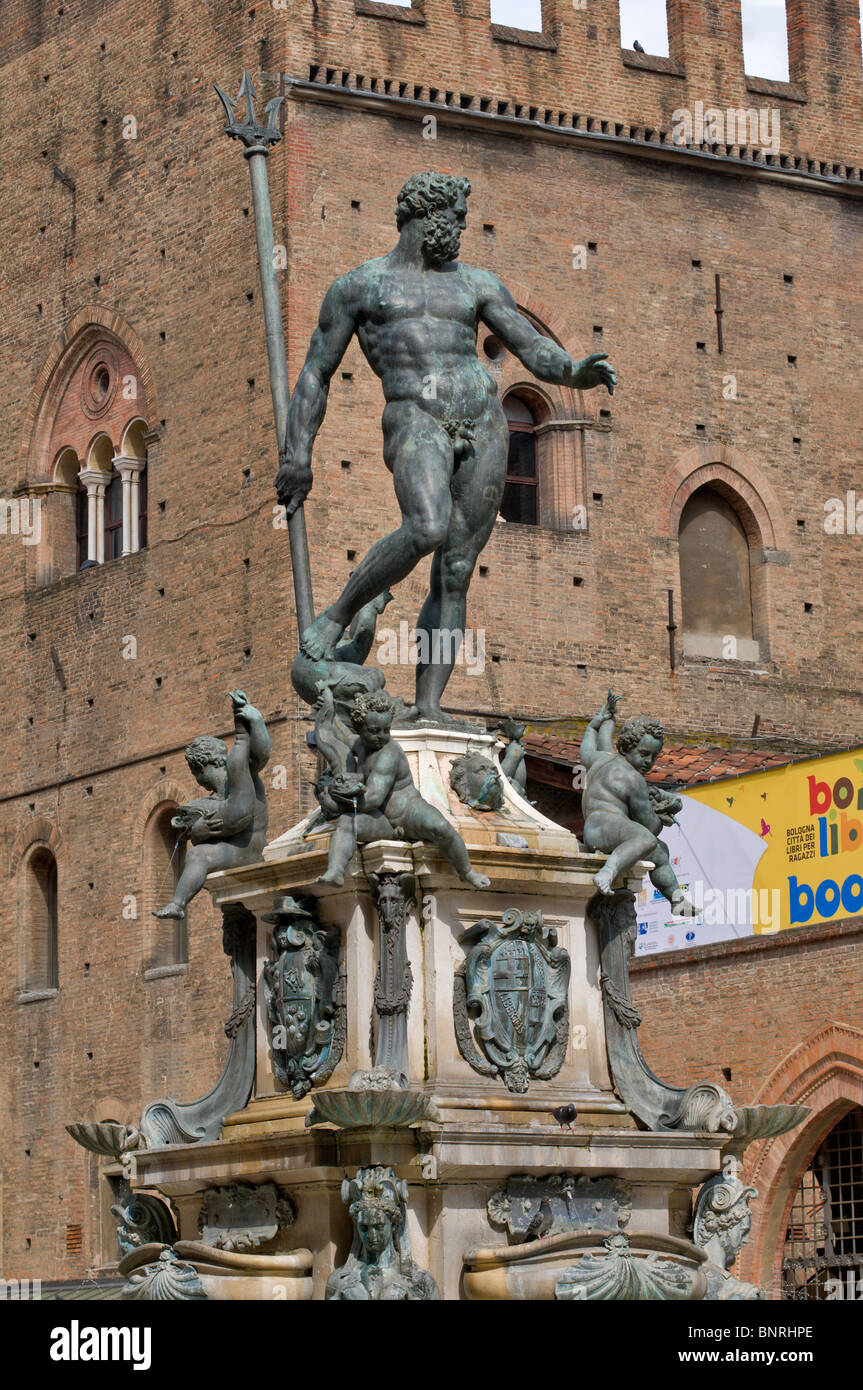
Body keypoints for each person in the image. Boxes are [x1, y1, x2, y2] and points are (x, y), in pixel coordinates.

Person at [277, 171, 616, 725]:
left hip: (484, 422)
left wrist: (573, 372)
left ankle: (429, 707)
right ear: (419, 217)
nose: (459, 230)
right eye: (452, 219)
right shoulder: (360, 287)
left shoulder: (476, 284)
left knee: (456, 568)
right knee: (427, 527)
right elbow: (315, 374)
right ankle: (337, 617)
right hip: (416, 418)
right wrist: (298, 456)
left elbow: (531, 347)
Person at [315, 689, 489, 889]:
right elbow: (334, 734)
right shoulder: (359, 745)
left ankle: (466, 871)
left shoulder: (388, 754)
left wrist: (337, 803)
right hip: (382, 821)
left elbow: (372, 799)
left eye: (385, 730)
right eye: (374, 731)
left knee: (441, 827)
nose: (381, 736)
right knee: (347, 822)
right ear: (360, 729)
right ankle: (335, 871)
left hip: (408, 812)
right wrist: (327, 706)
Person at [153, 690, 270, 919]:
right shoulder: (212, 798)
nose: (197, 780)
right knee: (200, 853)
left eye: (195, 773)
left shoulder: (241, 771)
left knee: (198, 856)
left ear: (202, 768)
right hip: (234, 849)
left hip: (250, 849)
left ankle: (178, 904)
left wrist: (253, 720)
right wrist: (197, 831)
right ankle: (177, 904)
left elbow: (261, 754)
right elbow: (210, 830)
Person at [580, 691, 694, 913]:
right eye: (644, 754)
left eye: (653, 756)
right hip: (606, 828)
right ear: (625, 748)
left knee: (660, 853)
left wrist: (598, 723)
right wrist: (663, 812)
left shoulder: (601, 758)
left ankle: (677, 900)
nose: (648, 762)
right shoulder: (634, 781)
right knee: (647, 839)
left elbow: (588, 748)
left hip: (595, 829)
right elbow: (649, 828)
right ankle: (609, 870)